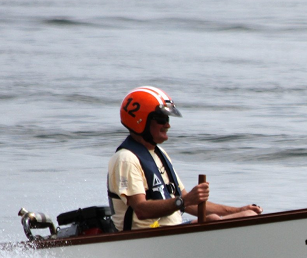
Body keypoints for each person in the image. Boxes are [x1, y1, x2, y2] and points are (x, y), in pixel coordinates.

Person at [107, 86, 262, 231]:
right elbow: (141, 210)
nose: (167, 125)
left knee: (246, 216)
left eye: (168, 120)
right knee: (215, 220)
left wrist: (237, 210)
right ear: (141, 121)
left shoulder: (159, 153)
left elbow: (188, 205)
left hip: (169, 233)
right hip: (144, 239)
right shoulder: (126, 159)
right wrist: (185, 201)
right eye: (162, 119)